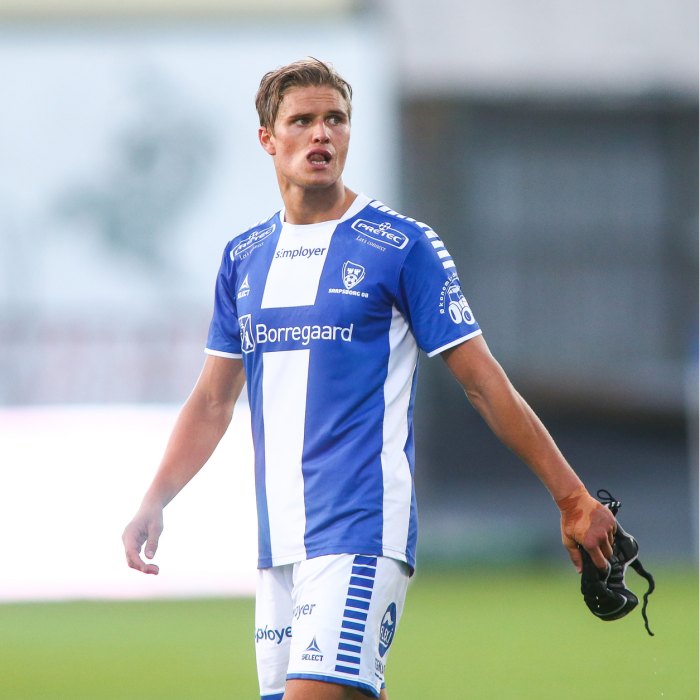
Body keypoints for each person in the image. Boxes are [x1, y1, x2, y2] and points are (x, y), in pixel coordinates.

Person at [122, 58, 616, 700]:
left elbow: (484, 383)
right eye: (302, 121)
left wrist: (572, 498)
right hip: (279, 545)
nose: (321, 134)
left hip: (360, 530)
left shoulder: (401, 246)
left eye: (335, 119)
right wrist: (155, 498)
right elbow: (214, 401)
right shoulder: (244, 258)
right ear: (268, 137)